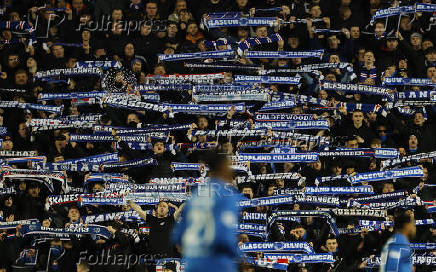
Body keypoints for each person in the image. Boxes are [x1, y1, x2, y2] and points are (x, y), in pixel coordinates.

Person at [172, 151, 242, 272]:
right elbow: (224, 236)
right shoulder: (227, 195)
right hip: (218, 263)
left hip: (193, 264)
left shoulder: (196, 195)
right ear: (222, 167)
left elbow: (178, 238)